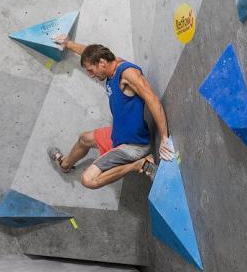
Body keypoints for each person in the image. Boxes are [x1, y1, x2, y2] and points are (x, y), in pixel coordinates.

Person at [47, 35, 174, 190]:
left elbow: (153, 100)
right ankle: (64, 164)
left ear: (101, 63)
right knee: (84, 139)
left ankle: (140, 164)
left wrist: (164, 137)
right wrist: (68, 43)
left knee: (88, 180)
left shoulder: (127, 74)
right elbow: (87, 53)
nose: (91, 75)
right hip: (119, 135)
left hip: (134, 145)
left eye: (91, 71)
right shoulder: (110, 64)